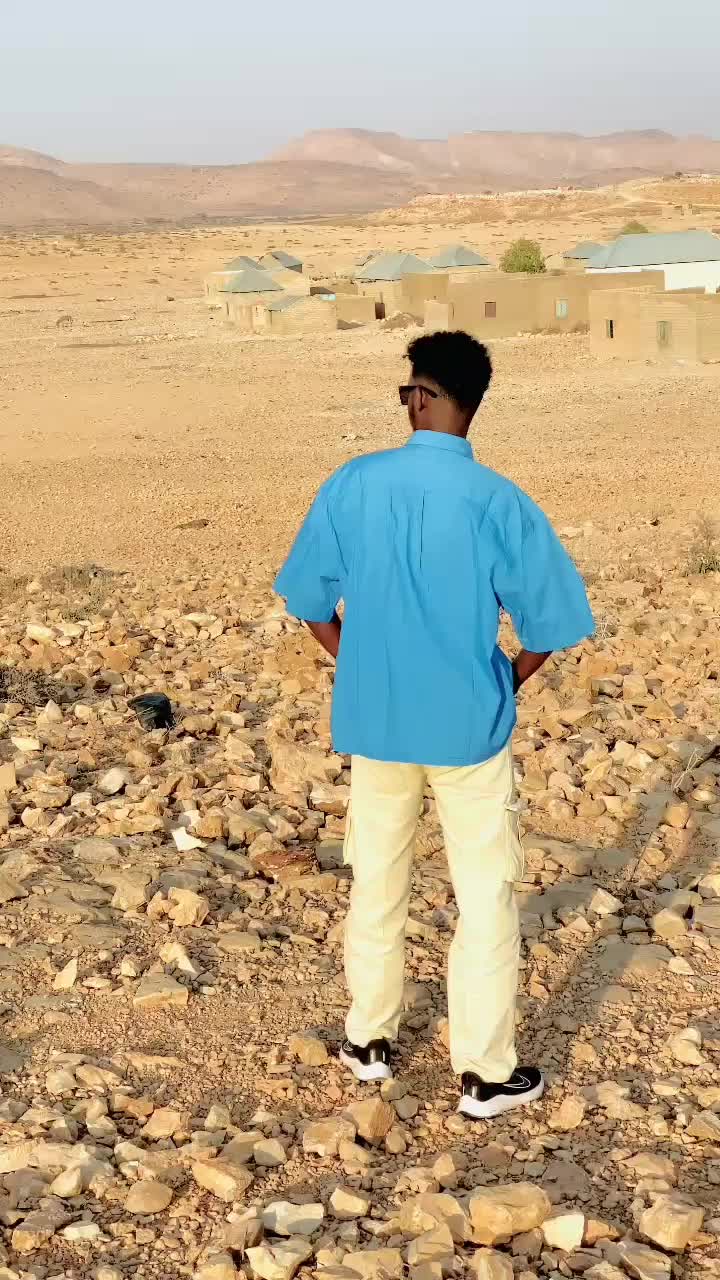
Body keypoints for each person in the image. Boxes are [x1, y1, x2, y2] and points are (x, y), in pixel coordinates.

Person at [274, 330, 593, 1119]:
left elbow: (309, 601)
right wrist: (505, 682)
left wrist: (358, 664)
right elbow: (551, 624)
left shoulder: (353, 483)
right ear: (473, 405)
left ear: (420, 398)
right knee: (484, 899)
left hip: (378, 726)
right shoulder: (499, 501)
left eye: (409, 392)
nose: (408, 403)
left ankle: (368, 1041)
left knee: (378, 882)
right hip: (469, 732)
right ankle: (484, 1074)